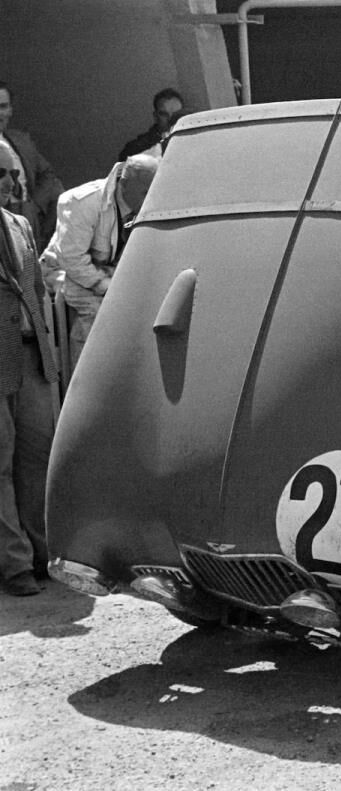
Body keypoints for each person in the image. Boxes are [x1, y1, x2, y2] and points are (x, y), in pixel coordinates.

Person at [0, 148, 58, 597]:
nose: (8, 181)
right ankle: (15, 564)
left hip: (29, 355)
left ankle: (45, 556)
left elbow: (35, 290)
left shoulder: (19, 225)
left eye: (8, 173)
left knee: (37, 458)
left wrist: (47, 355)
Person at [40, 154, 159, 366]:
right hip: (64, 271)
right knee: (96, 311)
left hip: (106, 271)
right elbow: (72, 259)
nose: (150, 198)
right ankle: (84, 382)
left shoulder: (145, 202)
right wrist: (105, 286)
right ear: (124, 184)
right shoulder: (81, 202)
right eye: (145, 192)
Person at [0, 81, 64, 251]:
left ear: (10, 110)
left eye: (3, 106)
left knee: (61, 193)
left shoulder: (21, 140)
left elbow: (47, 174)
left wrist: (34, 206)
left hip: (28, 213)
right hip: (3, 215)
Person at [117, 87, 184, 161]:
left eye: (176, 115)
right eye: (164, 114)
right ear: (156, 116)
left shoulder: (192, 142)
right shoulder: (135, 149)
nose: (170, 119)